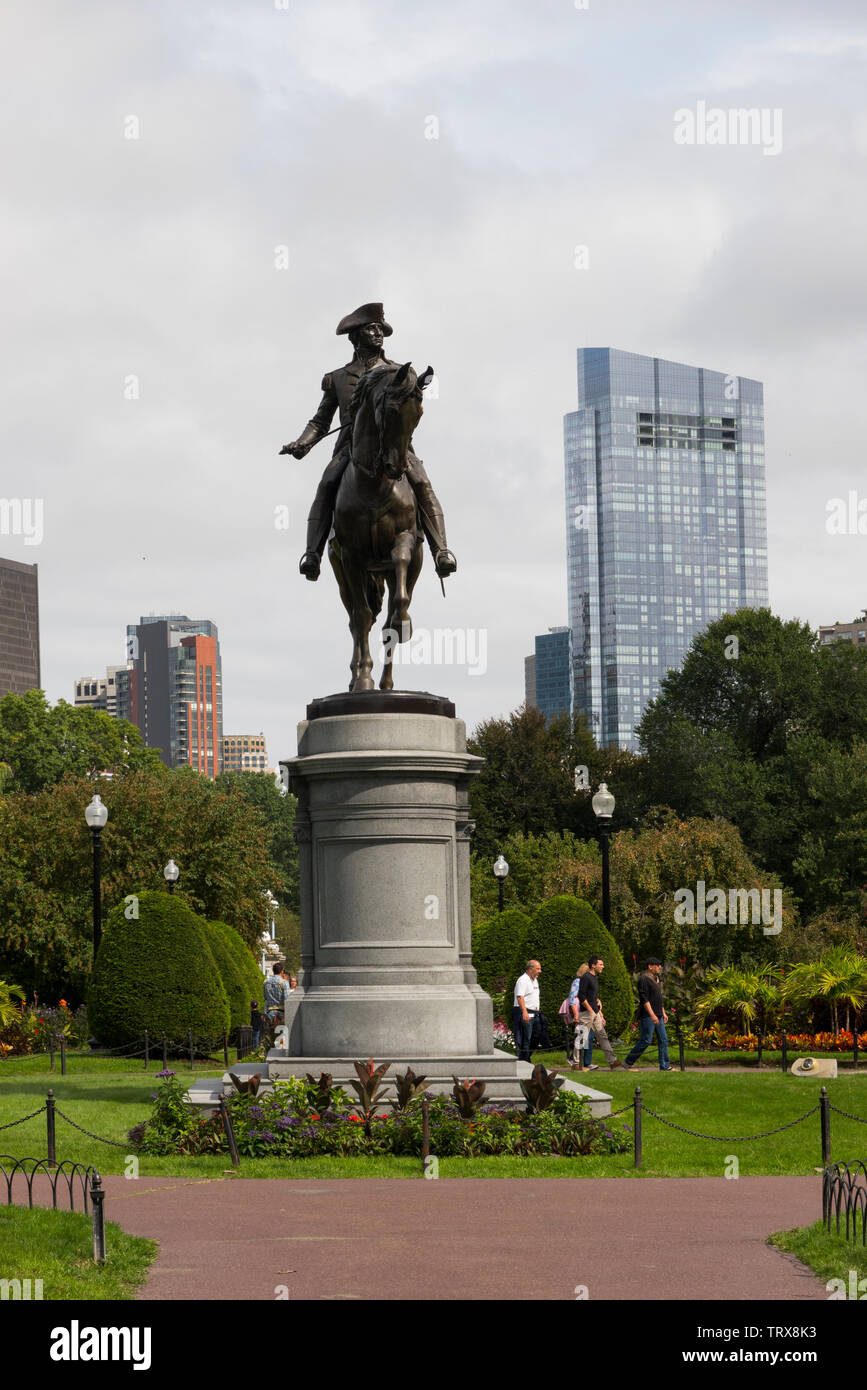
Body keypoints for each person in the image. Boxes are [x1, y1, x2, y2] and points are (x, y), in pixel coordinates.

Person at [281, 303, 457, 582]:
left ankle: (441, 551)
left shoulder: (399, 372)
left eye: (380, 329)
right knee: (326, 485)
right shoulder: (337, 377)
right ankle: (312, 554)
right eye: (370, 329)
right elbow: (320, 421)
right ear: (355, 337)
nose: (377, 333)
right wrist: (303, 443)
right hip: (350, 448)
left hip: (393, 447)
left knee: (422, 483)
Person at [623, 958, 671, 1071]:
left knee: (663, 1040)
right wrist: (652, 1014)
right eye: (658, 965)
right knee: (646, 1040)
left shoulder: (655, 979)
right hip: (648, 1015)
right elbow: (644, 999)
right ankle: (628, 1062)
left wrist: (663, 1012)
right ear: (650, 966)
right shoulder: (644, 979)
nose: (660, 967)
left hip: (658, 1014)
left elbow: (658, 998)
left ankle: (665, 1066)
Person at [577, 956, 622, 1070]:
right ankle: (576, 1064)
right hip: (586, 1013)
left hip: (595, 1013)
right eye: (601, 964)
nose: (603, 966)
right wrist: (590, 1010)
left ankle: (612, 1061)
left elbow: (593, 996)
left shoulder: (595, 978)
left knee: (602, 1036)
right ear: (593, 965)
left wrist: (599, 1010)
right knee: (582, 1038)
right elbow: (581, 996)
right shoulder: (586, 977)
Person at [567, 964, 597, 1070]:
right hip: (582, 1013)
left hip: (589, 1013)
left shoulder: (590, 982)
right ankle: (575, 1060)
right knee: (582, 1036)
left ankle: (586, 1062)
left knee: (589, 1037)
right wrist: (575, 1014)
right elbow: (572, 1000)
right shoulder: (577, 982)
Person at [512, 960, 542, 1063]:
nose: (540, 971)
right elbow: (520, 997)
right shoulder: (523, 980)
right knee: (526, 1037)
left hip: (535, 1012)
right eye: (537, 969)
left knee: (537, 1035)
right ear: (530, 969)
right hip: (525, 1011)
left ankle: (525, 1056)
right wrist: (524, 1012)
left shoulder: (535, 980)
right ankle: (525, 1059)